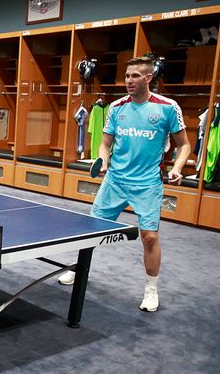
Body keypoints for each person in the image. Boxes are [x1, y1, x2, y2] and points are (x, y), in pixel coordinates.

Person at [58, 56, 191, 313]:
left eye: (135, 76)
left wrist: (177, 168)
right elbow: (105, 144)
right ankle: (78, 269)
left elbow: (184, 144)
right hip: (115, 180)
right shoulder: (117, 108)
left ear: (148, 78)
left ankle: (151, 289)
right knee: (92, 229)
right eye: (127, 76)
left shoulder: (167, 107)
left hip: (147, 183)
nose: (129, 81)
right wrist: (102, 159)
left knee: (150, 237)